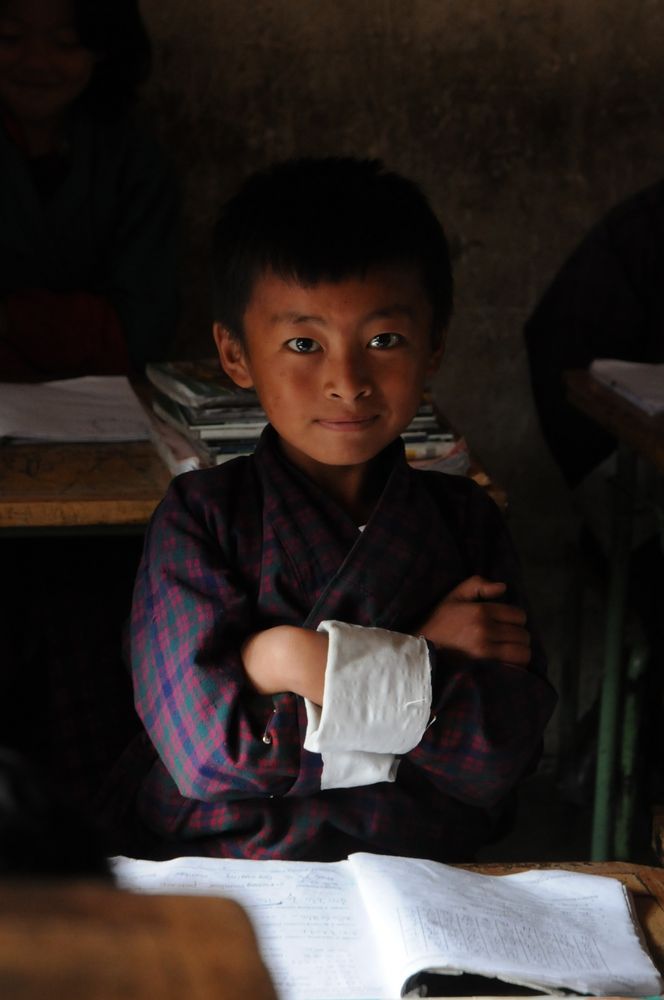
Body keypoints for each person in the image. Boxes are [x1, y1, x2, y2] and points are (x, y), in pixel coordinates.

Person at [107, 158, 556, 862]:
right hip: (234, 865)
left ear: (433, 345)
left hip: (425, 871)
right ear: (235, 354)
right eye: (302, 343)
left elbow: (497, 758)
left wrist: (287, 662)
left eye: (384, 340)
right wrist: (423, 662)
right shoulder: (200, 518)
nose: (346, 382)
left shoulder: (466, 520)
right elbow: (205, 757)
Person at [0, 0, 179, 381]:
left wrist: (12, 318)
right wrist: (84, 325)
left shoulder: (136, 162)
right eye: (9, 38)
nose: (36, 62)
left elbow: (142, 332)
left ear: (104, 49)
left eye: (66, 43)